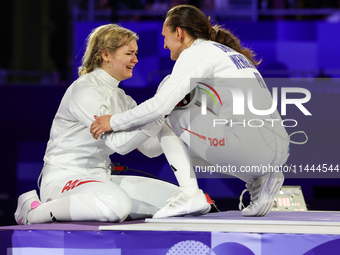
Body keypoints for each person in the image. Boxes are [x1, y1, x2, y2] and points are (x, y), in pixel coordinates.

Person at [91, 5, 291, 218]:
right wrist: (139, 136)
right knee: (183, 142)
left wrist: (114, 122)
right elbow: (157, 148)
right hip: (278, 147)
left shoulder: (197, 53)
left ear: (179, 33)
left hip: (251, 145)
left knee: (167, 114)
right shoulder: (226, 54)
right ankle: (261, 178)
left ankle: (190, 195)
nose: (165, 44)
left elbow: (160, 107)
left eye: (165, 36)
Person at [14, 24, 182, 225]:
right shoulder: (85, 90)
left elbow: (150, 149)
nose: (136, 59)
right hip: (64, 180)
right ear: (106, 55)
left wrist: (174, 116)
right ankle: (32, 212)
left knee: (179, 201)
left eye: (136, 53)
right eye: (129, 53)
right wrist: (157, 113)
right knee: (116, 205)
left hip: (100, 180)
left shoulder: (123, 99)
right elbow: (117, 144)